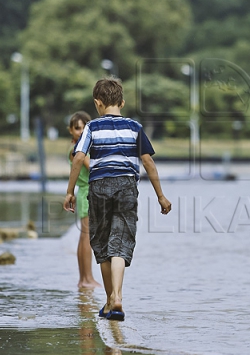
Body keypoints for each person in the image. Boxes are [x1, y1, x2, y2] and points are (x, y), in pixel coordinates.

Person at [63, 77, 172, 321]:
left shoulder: (92, 127)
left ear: (97, 103)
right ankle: (118, 298)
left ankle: (110, 299)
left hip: (99, 186)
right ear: (122, 102)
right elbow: (148, 162)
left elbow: (79, 158)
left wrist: (70, 191)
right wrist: (161, 196)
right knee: (120, 243)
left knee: (101, 244)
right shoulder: (135, 127)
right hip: (126, 186)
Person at [68, 111, 101, 289]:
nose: (80, 132)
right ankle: (87, 278)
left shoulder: (79, 149)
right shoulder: (79, 151)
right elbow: (92, 167)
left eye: (83, 128)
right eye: (77, 128)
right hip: (86, 192)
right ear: (70, 130)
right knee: (87, 237)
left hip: (83, 192)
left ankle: (84, 278)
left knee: (84, 237)